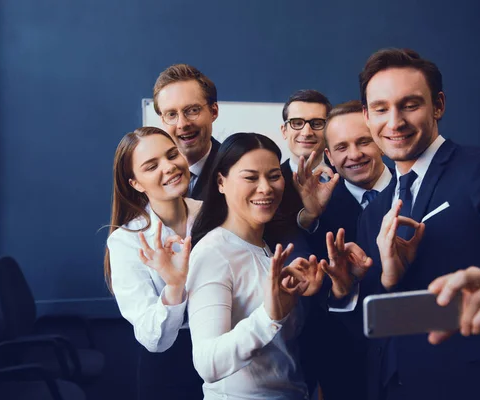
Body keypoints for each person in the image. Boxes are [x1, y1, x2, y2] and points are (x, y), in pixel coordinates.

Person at [344, 48, 480, 400]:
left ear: (438, 105)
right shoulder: (374, 210)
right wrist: (383, 280)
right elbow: (382, 322)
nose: (394, 122)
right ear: (366, 116)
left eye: (410, 105)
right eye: (381, 109)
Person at [187, 132, 329, 400]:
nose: (265, 187)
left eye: (274, 176)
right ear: (221, 182)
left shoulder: (267, 248)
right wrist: (269, 317)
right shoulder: (213, 252)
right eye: (251, 177)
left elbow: (280, 353)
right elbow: (208, 364)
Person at [292, 100, 392, 399]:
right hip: (344, 366)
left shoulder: (415, 190)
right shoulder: (316, 208)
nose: (354, 155)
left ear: (382, 142)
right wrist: (310, 216)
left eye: (364, 141)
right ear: (329, 156)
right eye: (342, 147)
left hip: (416, 356)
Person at [104, 127, 203, 399]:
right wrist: (174, 285)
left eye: (172, 155)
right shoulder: (127, 240)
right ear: (135, 183)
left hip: (225, 354)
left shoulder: (214, 214)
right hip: (170, 368)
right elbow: (152, 338)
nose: (169, 167)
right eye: (151, 166)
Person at [264, 89, 334, 250]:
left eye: (316, 123)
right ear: (284, 131)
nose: (307, 132)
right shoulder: (267, 184)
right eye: (297, 123)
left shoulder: (345, 177)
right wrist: (308, 216)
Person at [153, 64, 221, 199]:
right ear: (162, 119)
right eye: (171, 114)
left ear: (213, 112)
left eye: (192, 110)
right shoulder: (150, 178)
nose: (182, 124)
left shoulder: (235, 170)